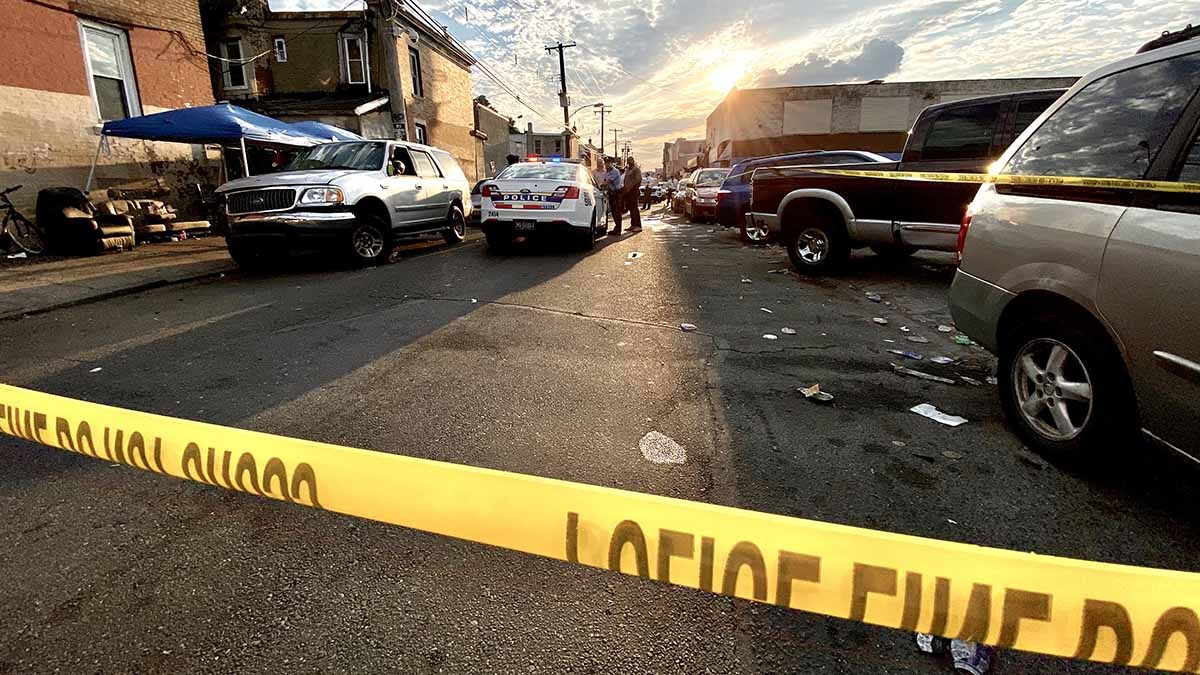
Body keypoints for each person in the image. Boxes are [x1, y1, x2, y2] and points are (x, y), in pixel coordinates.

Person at [604, 157, 625, 235]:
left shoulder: (614, 171)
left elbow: (607, 181)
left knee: (617, 211)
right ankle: (616, 228)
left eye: (608, 163)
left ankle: (618, 229)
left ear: (611, 163)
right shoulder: (607, 172)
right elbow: (606, 182)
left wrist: (598, 185)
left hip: (617, 193)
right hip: (612, 193)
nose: (607, 164)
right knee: (613, 211)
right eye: (606, 163)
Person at [623, 156, 643, 232]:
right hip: (628, 191)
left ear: (633, 161)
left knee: (634, 208)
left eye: (630, 160)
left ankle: (638, 225)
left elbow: (638, 180)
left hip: (633, 191)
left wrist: (633, 188)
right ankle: (633, 225)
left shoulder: (636, 169)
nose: (629, 162)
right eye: (628, 160)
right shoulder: (628, 169)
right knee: (631, 208)